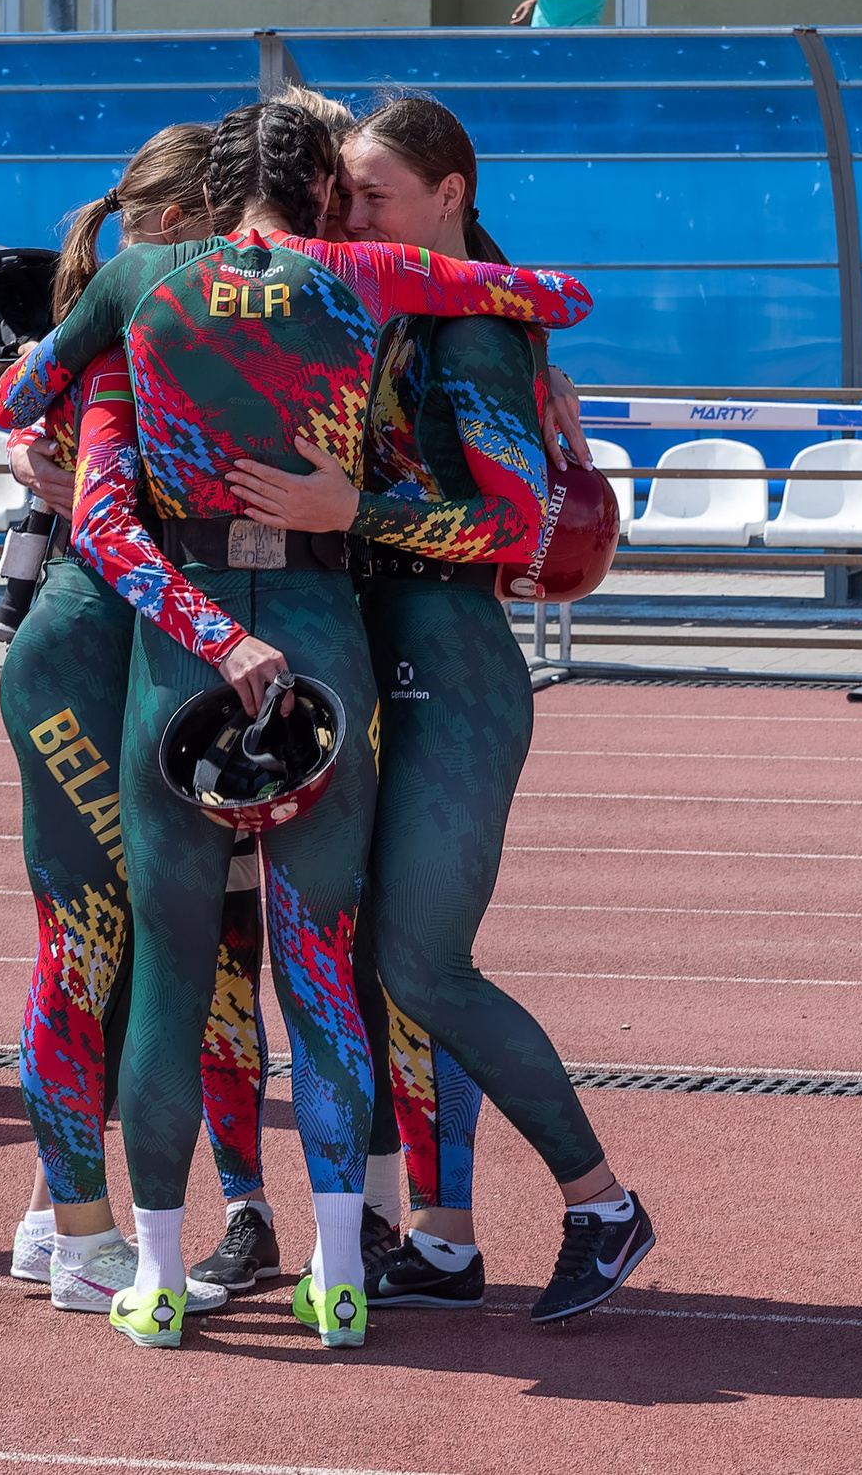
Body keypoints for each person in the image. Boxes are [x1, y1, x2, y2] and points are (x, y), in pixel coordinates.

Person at [0, 100, 593, 1349]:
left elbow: (25, 402)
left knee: (160, 962)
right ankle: (315, 1259)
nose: (350, 212)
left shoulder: (138, 290)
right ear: (315, 190)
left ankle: (144, 1254)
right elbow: (561, 290)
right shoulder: (360, 278)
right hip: (312, 638)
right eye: (345, 192)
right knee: (305, 961)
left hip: (177, 640)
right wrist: (512, 311)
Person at [227, 92, 653, 1326]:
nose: (348, 218)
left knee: (420, 960)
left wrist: (345, 516)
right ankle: (437, 1237)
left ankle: (602, 1204)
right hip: (376, 652)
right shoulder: (422, 308)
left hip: (450, 662)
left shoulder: (468, 330)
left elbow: (511, 528)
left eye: (372, 198)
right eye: (341, 199)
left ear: (448, 194)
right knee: (364, 963)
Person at [0, 126, 263, 1313]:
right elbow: (34, 415)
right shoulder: (123, 337)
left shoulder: (168, 326)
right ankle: (82, 1229)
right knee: (85, 943)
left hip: (118, 660)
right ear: (178, 228)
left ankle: (63, 1215)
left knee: (133, 947)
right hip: (76, 662)